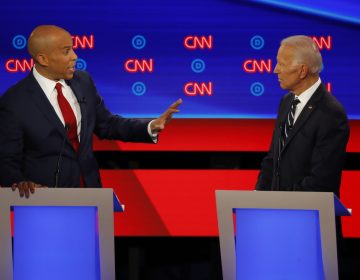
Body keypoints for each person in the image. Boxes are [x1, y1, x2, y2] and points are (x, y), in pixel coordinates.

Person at [0, 25, 182, 198]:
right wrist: (20, 182)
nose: (74, 56)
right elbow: (7, 162)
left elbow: (107, 125)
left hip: (89, 193)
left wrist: (150, 126)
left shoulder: (83, 82)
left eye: (72, 49)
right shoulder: (14, 102)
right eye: (66, 51)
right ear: (43, 59)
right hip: (42, 200)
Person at [256, 35, 349, 196]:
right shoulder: (286, 102)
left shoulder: (331, 113)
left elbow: (322, 181)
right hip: (278, 214)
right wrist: (259, 197)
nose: (275, 69)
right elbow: (273, 160)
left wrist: (278, 201)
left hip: (312, 216)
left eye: (281, 64)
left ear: (302, 70)